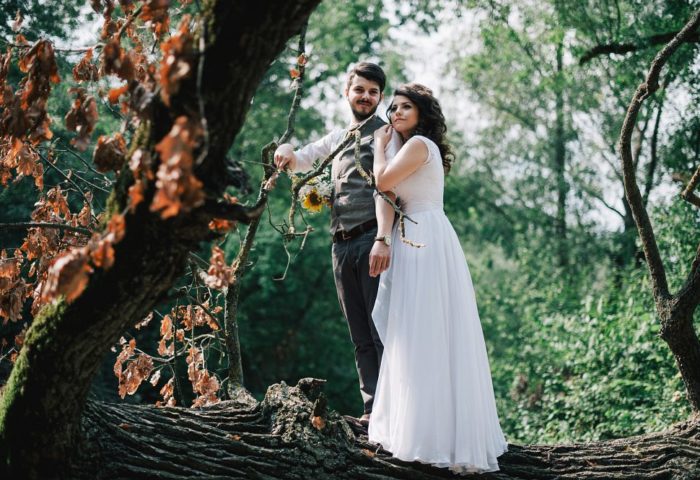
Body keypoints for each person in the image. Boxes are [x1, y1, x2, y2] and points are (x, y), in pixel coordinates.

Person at [368, 83, 508, 473]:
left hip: (425, 237)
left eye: (404, 107)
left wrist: (378, 147)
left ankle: (433, 437)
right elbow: (389, 196)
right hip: (414, 233)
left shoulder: (418, 146)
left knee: (425, 332)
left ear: (422, 113)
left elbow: (381, 183)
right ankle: (417, 429)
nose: (395, 113)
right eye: (392, 108)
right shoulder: (408, 147)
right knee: (414, 334)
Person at [273, 62, 390, 426]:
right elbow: (298, 161)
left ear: (380, 97)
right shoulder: (337, 138)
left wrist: (385, 240)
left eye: (373, 91)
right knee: (359, 334)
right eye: (360, 90)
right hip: (340, 246)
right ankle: (372, 409)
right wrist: (286, 145)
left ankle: (392, 410)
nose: (366, 97)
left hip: (373, 239)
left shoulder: (387, 135)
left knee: (379, 329)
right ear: (347, 92)